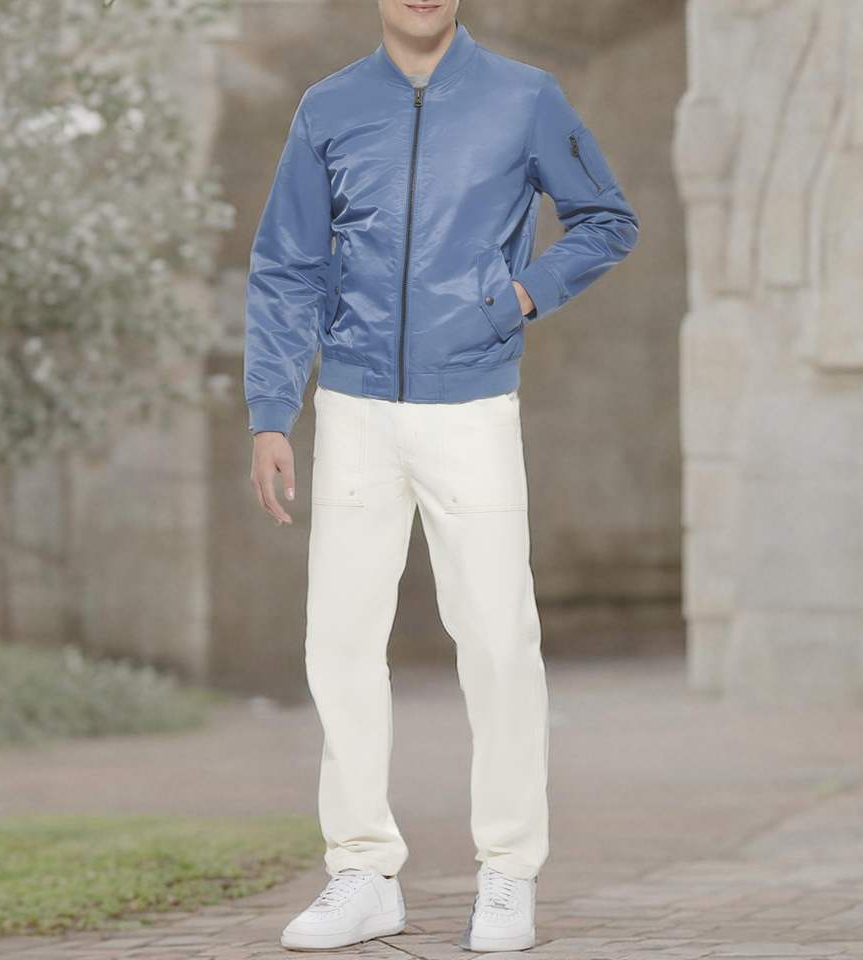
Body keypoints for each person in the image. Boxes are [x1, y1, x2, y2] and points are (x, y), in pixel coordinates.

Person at [243, 0, 639, 952]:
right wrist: (271, 410)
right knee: (340, 643)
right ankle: (361, 872)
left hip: (472, 408)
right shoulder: (329, 107)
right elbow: (287, 265)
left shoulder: (525, 97)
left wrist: (518, 296)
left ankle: (507, 875)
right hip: (353, 408)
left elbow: (606, 220)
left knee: (499, 644)